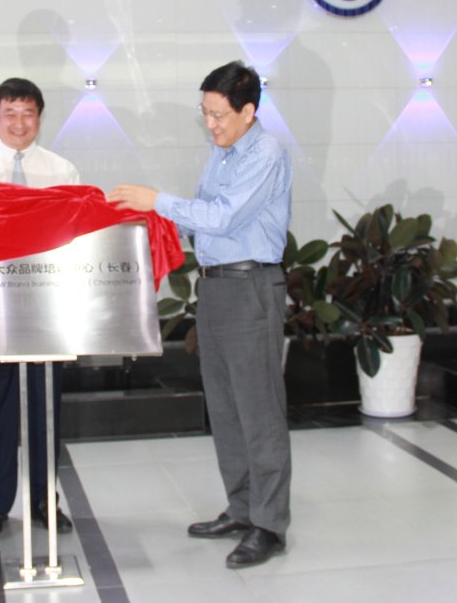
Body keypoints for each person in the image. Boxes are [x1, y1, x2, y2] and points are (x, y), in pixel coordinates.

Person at [108, 61, 292, 569]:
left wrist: (157, 200)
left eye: (218, 115)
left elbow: (223, 217)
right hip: (215, 289)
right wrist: (144, 220)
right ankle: (241, 508)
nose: (210, 124)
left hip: (251, 287)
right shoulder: (222, 153)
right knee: (226, 407)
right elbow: (200, 222)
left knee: (259, 410)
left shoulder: (266, 153)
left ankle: (269, 525)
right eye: (205, 113)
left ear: (248, 111)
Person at [0, 77, 79, 540]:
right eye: (10, 113)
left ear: (39, 118)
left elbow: (75, 236)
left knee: (46, 411)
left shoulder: (63, 171)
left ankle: (45, 502)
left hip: (47, 311)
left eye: (28, 113)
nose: (19, 123)